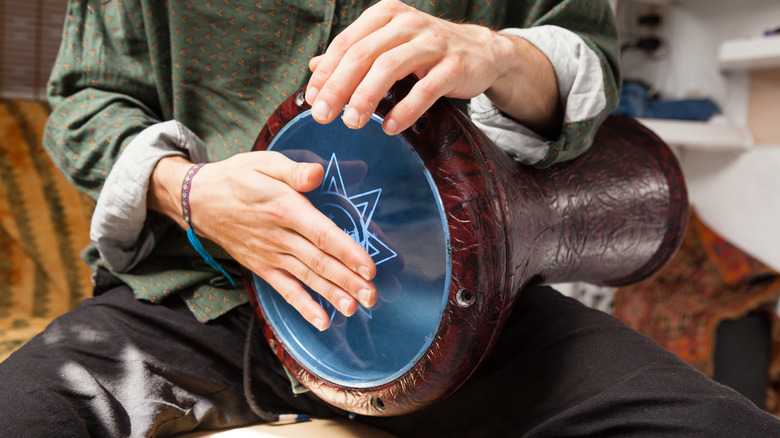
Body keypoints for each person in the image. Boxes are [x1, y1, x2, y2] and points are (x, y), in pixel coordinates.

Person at [1, 0, 779, 436]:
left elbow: (591, 63)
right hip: (203, 295)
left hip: (464, 316)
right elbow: (83, 103)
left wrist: (497, 52)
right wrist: (191, 190)